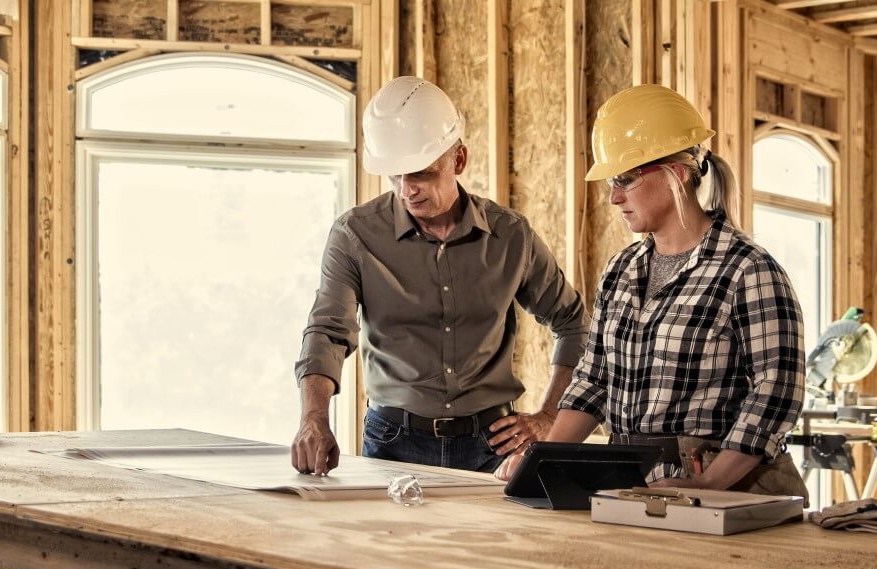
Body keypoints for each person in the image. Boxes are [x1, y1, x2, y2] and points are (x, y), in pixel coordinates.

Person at [498, 84, 807, 497]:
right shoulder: (621, 271)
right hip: (631, 479)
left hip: (726, 488)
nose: (613, 197)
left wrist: (707, 483)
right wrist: (541, 463)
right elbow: (592, 381)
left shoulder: (748, 270)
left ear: (676, 174)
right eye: (612, 182)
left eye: (625, 180)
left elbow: (777, 391)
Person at [291, 77, 587, 475]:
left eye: (421, 173)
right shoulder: (355, 235)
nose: (407, 190)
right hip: (392, 442)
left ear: (458, 160)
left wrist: (550, 415)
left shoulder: (511, 236)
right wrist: (313, 418)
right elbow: (328, 332)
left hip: (493, 445)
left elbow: (574, 324)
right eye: (395, 176)